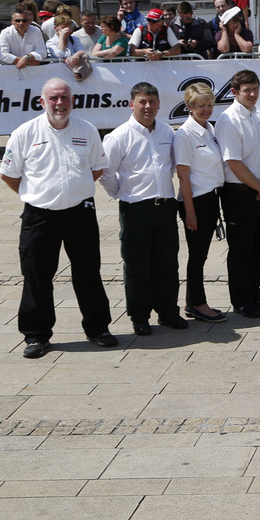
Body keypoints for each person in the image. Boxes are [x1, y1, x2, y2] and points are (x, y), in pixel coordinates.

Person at [0, 78, 117, 357]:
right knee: (37, 276)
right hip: (39, 217)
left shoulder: (87, 130)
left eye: (64, 97)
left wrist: (74, 189)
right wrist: (37, 194)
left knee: (88, 273)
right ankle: (36, 336)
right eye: (53, 98)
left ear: (72, 100)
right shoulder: (24, 133)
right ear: (42, 102)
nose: (60, 103)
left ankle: (98, 328)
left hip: (80, 213)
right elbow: (8, 174)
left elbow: (98, 168)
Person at [101, 82, 186, 337]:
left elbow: (171, 165)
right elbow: (106, 172)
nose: (147, 107)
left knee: (167, 263)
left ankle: (168, 311)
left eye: (152, 102)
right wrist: (121, 192)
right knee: (137, 266)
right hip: (136, 209)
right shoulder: (118, 136)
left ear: (159, 104)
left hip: (165, 207)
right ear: (131, 104)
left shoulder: (168, 133)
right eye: (142, 102)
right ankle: (139, 316)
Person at [215, 69, 260, 318]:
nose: (252, 94)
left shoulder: (257, 114)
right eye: (247, 90)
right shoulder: (228, 119)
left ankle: (255, 290)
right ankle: (241, 299)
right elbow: (234, 162)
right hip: (239, 192)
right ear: (234, 92)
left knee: (258, 246)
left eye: (255, 89)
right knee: (241, 249)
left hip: (259, 189)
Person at [173, 83, 227, 324]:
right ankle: (199, 304)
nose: (206, 109)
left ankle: (190, 301)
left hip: (211, 197)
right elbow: (183, 176)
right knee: (197, 256)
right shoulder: (185, 135)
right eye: (200, 106)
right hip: (195, 200)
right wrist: (190, 212)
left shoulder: (209, 128)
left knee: (200, 254)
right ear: (189, 107)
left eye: (209, 105)